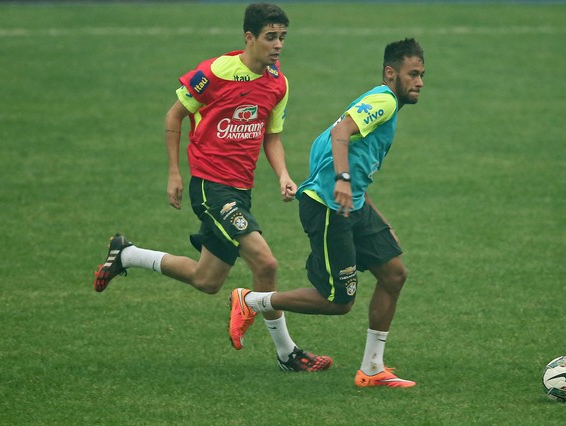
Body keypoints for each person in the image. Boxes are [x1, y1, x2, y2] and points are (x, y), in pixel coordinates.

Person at [93, 3, 332, 373]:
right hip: (210, 187)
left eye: (282, 37)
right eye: (270, 37)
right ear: (249, 38)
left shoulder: (278, 84)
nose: (278, 45)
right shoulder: (216, 72)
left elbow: (272, 136)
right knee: (266, 263)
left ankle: (126, 254)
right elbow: (175, 115)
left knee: (206, 280)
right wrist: (175, 172)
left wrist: (283, 174)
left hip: (240, 190)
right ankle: (288, 353)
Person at [228, 38, 425, 388]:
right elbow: (340, 132)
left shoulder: (385, 102)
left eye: (422, 74)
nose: (420, 82)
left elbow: (334, 146)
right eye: (413, 74)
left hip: (352, 204)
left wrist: (375, 216)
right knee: (338, 302)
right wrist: (343, 180)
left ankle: (372, 369)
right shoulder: (383, 100)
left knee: (394, 274)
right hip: (330, 207)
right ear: (390, 72)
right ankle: (252, 300)